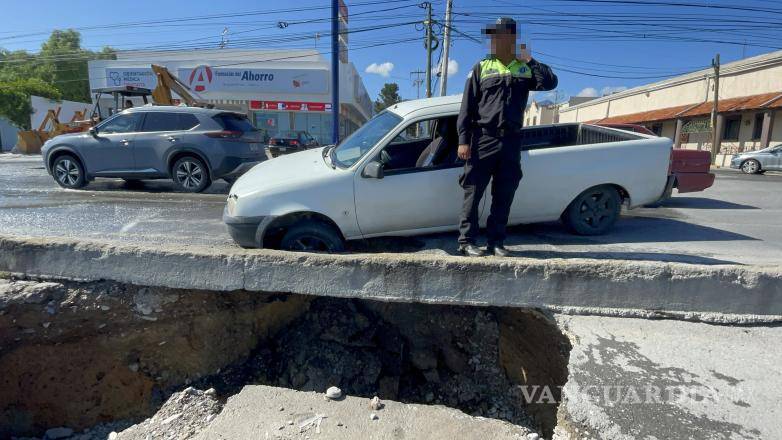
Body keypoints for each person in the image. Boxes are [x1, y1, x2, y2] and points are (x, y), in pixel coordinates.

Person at [456, 17, 558, 257]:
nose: (497, 40)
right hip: (483, 139)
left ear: (512, 38)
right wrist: (463, 139)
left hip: (511, 140)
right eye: (494, 36)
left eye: (503, 35)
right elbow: (467, 106)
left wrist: (530, 60)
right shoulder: (482, 67)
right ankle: (466, 241)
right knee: (473, 191)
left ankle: (495, 242)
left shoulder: (524, 67)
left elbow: (549, 83)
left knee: (504, 193)